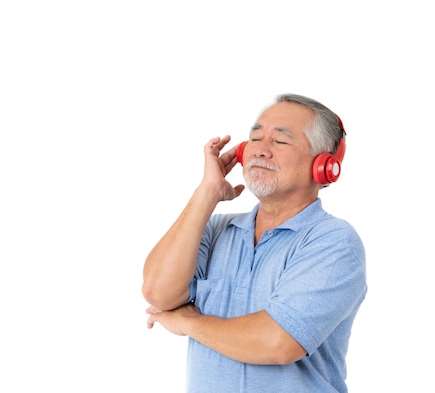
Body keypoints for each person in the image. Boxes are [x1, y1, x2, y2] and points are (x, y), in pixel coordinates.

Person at [141, 93, 367, 393]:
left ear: (324, 165)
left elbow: (278, 342)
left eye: (281, 141)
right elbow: (158, 293)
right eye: (255, 138)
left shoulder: (334, 242)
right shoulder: (215, 228)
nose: (261, 150)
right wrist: (207, 192)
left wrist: (188, 323)